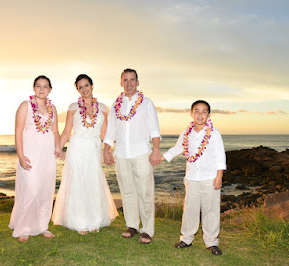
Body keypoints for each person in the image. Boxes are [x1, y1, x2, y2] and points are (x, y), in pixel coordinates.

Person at [52, 74, 118, 235]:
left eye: (86, 85)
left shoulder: (102, 108)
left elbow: (106, 133)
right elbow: (67, 130)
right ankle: (79, 221)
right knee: (77, 181)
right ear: (77, 89)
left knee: (93, 181)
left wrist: (107, 151)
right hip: (77, 147)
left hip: (94, 147)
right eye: (80, 87)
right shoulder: (73, 106)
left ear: (92, 86)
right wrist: (58, 148)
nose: (84, 89)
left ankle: (95, 219)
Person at [161, 100, 226, 255]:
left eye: (204, 111)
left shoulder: (214, 133)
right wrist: (161, 158)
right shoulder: (186, 133)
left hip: (209, 177)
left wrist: (219, 176)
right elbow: (178, 148)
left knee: (210, 210)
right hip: (192, 177)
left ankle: (211, 242)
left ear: (209, 115)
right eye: (197, 111)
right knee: (190, 209)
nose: (200, 114)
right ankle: (186, 238)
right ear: (191, 113)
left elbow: (220, 156)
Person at [103, 68, 161, 244]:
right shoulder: (115, 105)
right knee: (127, 191)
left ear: (137, 82)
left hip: (141, 152)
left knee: (145, 191)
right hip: (121, 153)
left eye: (132, 80)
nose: (129, 83)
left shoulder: (147, 103)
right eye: (125, 80)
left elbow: (154, 129)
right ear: (121, 82)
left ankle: (147, 230)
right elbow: (111, 130)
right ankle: (132, 225)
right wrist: (106, 150)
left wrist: (156, 150)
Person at [9, 75, 62, 242]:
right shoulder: (25, 106)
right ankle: (23, 227)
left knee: (45, 191)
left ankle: (42, 226)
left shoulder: (52, 108)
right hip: (30, 153)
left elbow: (55, 131)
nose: (41, 89)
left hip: (47, 155)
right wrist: (20, 155)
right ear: (34, 88)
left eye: (45, 86)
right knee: (30, 189)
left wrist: (58, 147)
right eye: (38, 86)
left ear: (50, 89)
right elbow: (18, 132)